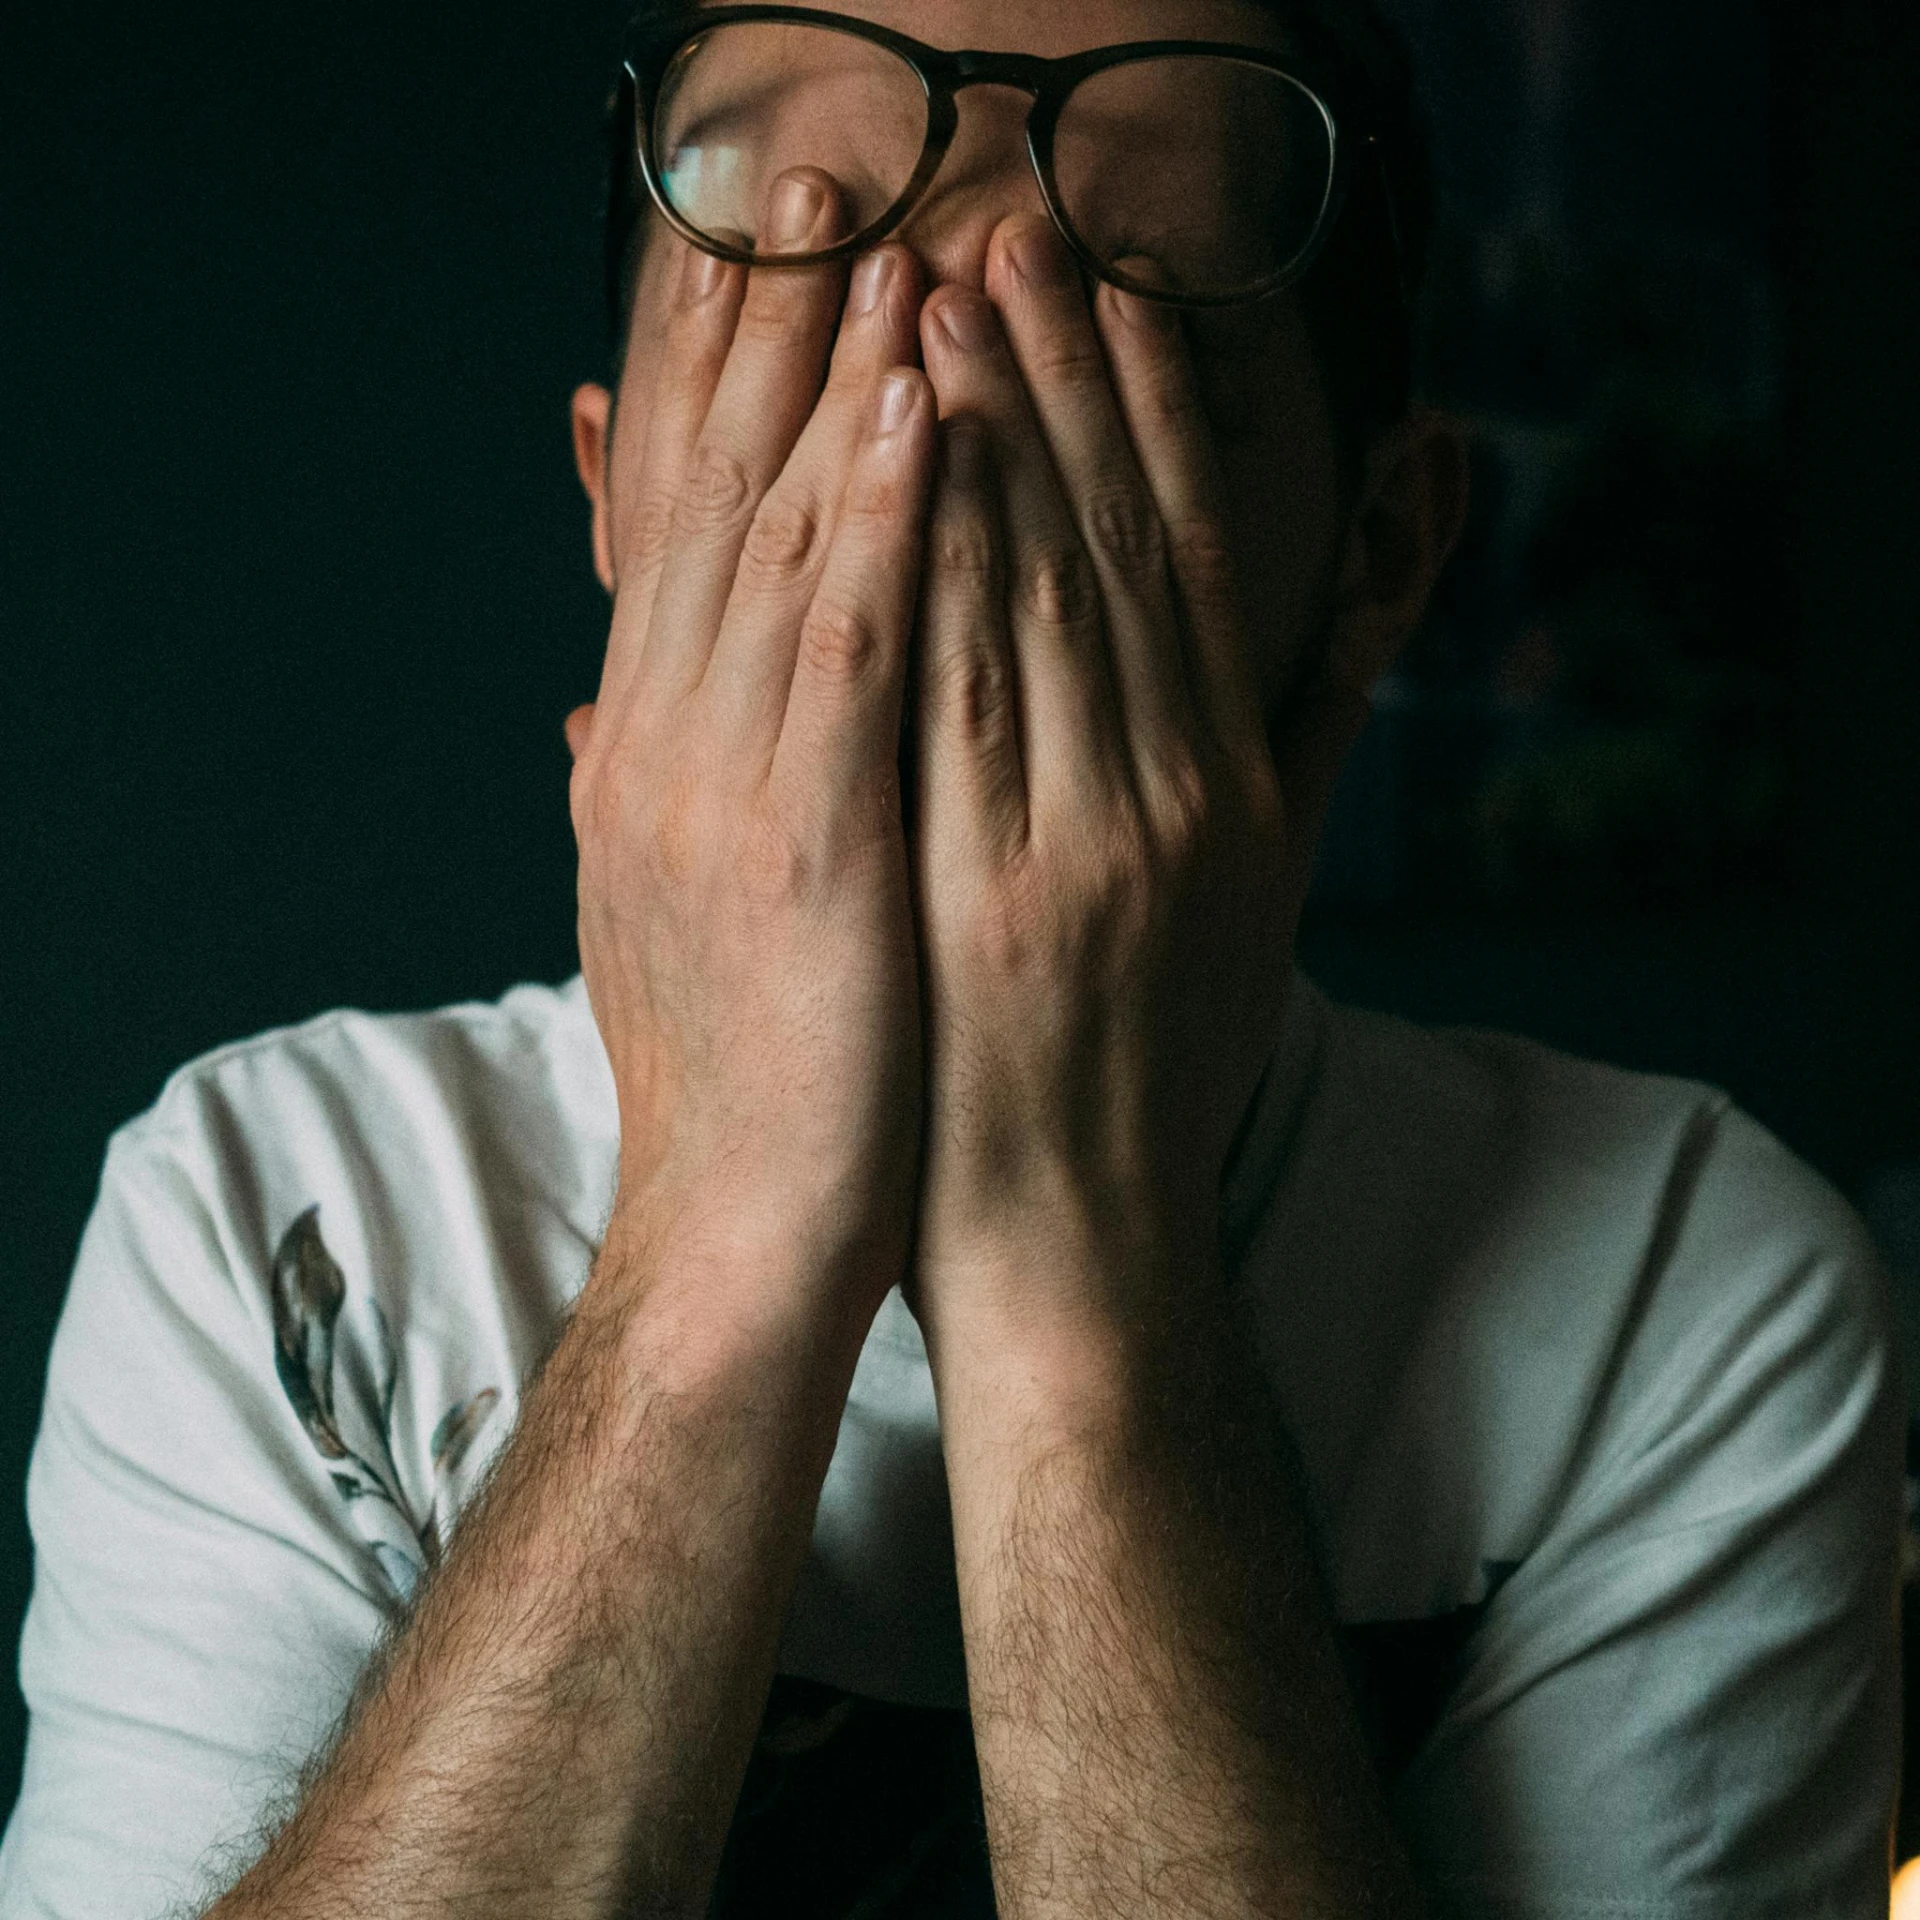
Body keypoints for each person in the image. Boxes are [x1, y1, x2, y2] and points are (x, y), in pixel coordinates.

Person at [0, 0, 1900, 1914]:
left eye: (1104, 358)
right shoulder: (272, 1220)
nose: (913, 488)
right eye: (792, 335)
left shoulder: (1686, 1303)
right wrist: (718, 1246)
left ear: (1379, 551)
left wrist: (1076, 1263)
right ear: (609, 497)